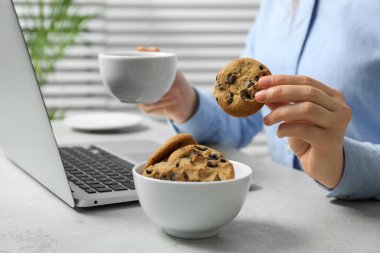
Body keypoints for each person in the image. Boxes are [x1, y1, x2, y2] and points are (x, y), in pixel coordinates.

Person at [137, 0, 380, 200]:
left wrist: (345, 164)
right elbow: (247, 116)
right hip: (282, 205)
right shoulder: (276, 6)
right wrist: (185, 103)